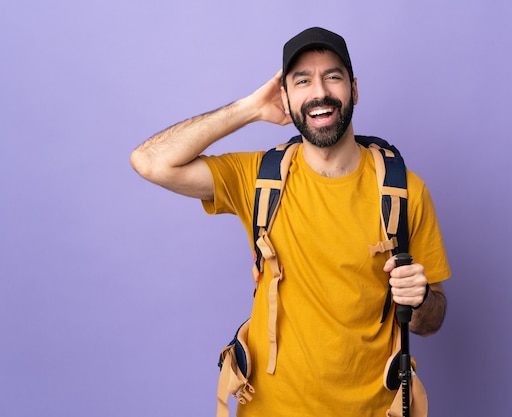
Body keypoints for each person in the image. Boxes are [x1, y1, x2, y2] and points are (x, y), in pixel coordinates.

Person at [131, 27, 451, 417]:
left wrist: (418, 299)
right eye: (302, 81)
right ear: (284, 96)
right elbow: (151, 162)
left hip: (373, 410)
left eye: (332, 76)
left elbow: (430, 320)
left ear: (354, 89)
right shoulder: (259, 178)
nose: (319, 92)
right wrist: (248, 108)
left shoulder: (404, 191)